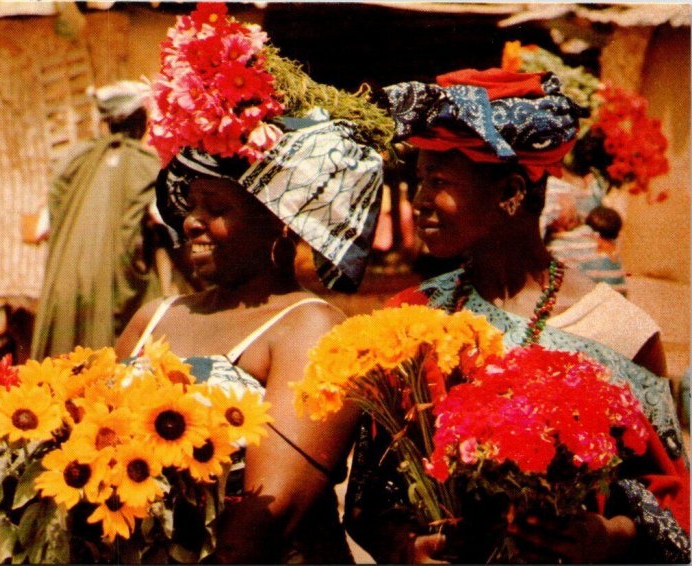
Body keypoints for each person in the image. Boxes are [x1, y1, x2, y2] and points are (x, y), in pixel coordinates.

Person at [344, 69, 689, 563]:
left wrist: (610, 536)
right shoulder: (409, 321)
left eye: (438, 182)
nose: (419, 202)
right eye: (419, 180)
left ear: (510, 191)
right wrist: (405, 550)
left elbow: (669, 504)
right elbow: (369, 496)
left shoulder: (618, 331)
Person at [115, 5, 389, 562]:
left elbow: (272, 514)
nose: (192, 220)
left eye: (216, 206)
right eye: (190, 204)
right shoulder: (154, 319)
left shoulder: (310, 330)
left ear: (279, 221)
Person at [30, 81, 167, 359]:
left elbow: (41, 227)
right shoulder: (145, 163)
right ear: (140, 121)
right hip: (116, 289)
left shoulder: (74, 159)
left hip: (65, 288)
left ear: (106, 122)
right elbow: (164, 219)